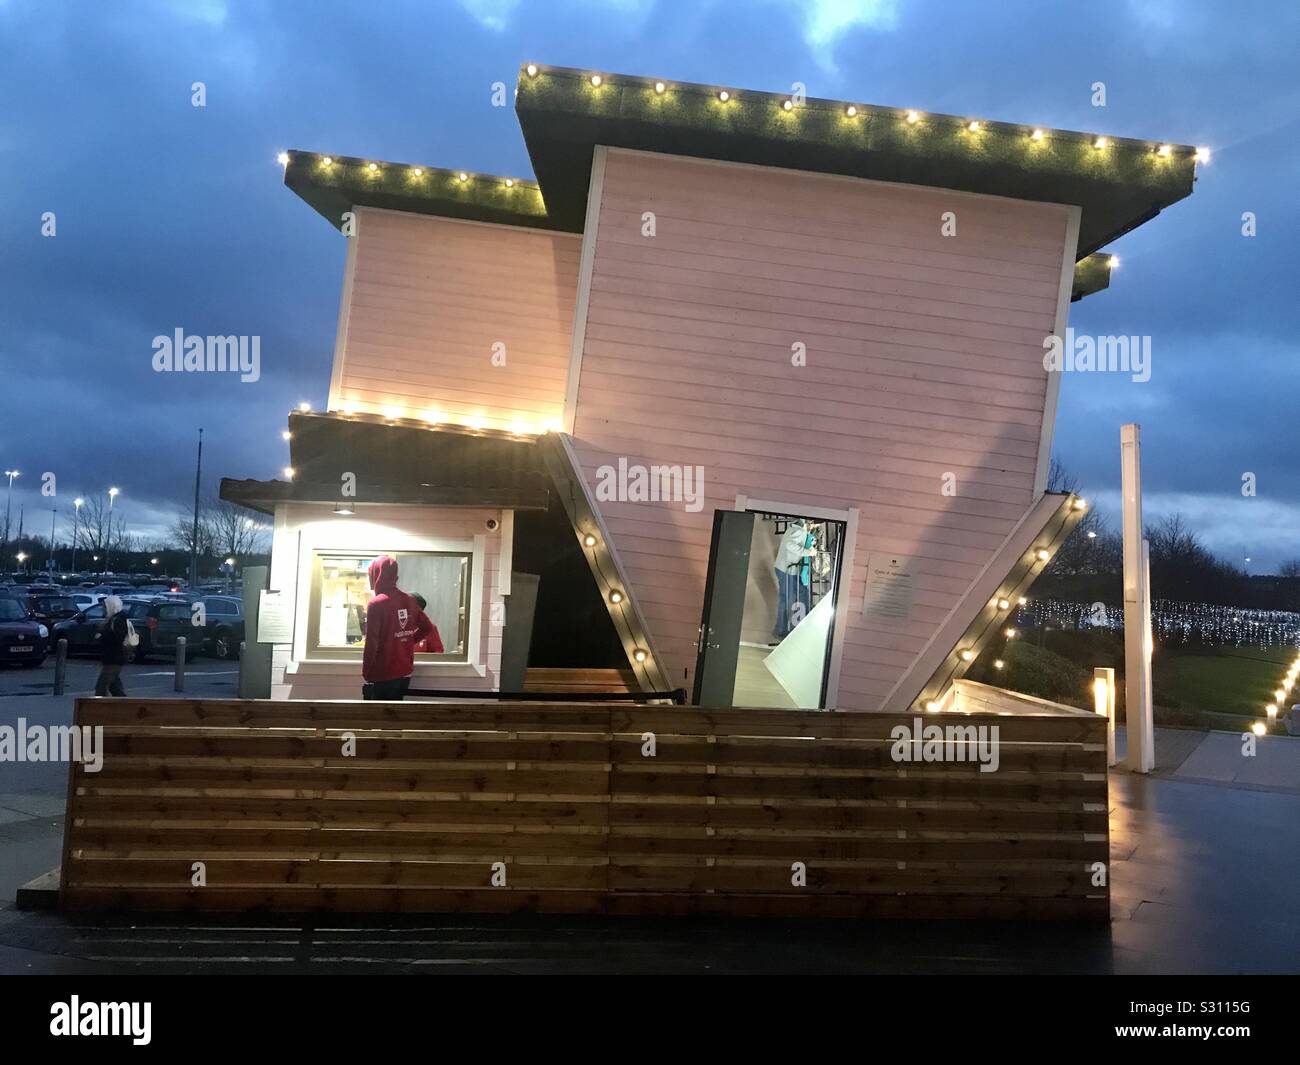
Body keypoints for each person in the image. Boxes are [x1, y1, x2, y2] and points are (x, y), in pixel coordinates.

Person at [361, 555, 435, 700]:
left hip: (382, 673)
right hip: (405, 671)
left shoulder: (376, 604)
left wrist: (367, 671)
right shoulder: (409, 600)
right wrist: (408, 640)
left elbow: (372, 643)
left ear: (376, 574)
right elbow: (427, 627)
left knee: (379, 719)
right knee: (396, 715)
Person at [772, 519, 816, 641]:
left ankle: (789, 626)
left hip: (786, 568)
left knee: (798, 593)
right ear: (808, 523)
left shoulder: (794, 529)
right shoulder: (799, 531)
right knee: (785, 599)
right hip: (786, 570)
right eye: (812, 524)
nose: (812, 527)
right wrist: (808, 552)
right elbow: (789, 545)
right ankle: (781, 630)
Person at [95, 595, 131, 697]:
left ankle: (97, 708)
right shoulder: (113, 619)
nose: (104, 609)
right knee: (114, 686)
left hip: (114, 657)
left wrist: (102, 636)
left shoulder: (118, 620)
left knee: (102, 685)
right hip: (113, 657)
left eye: (105, 607)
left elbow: (118, 638)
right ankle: (126, 706)